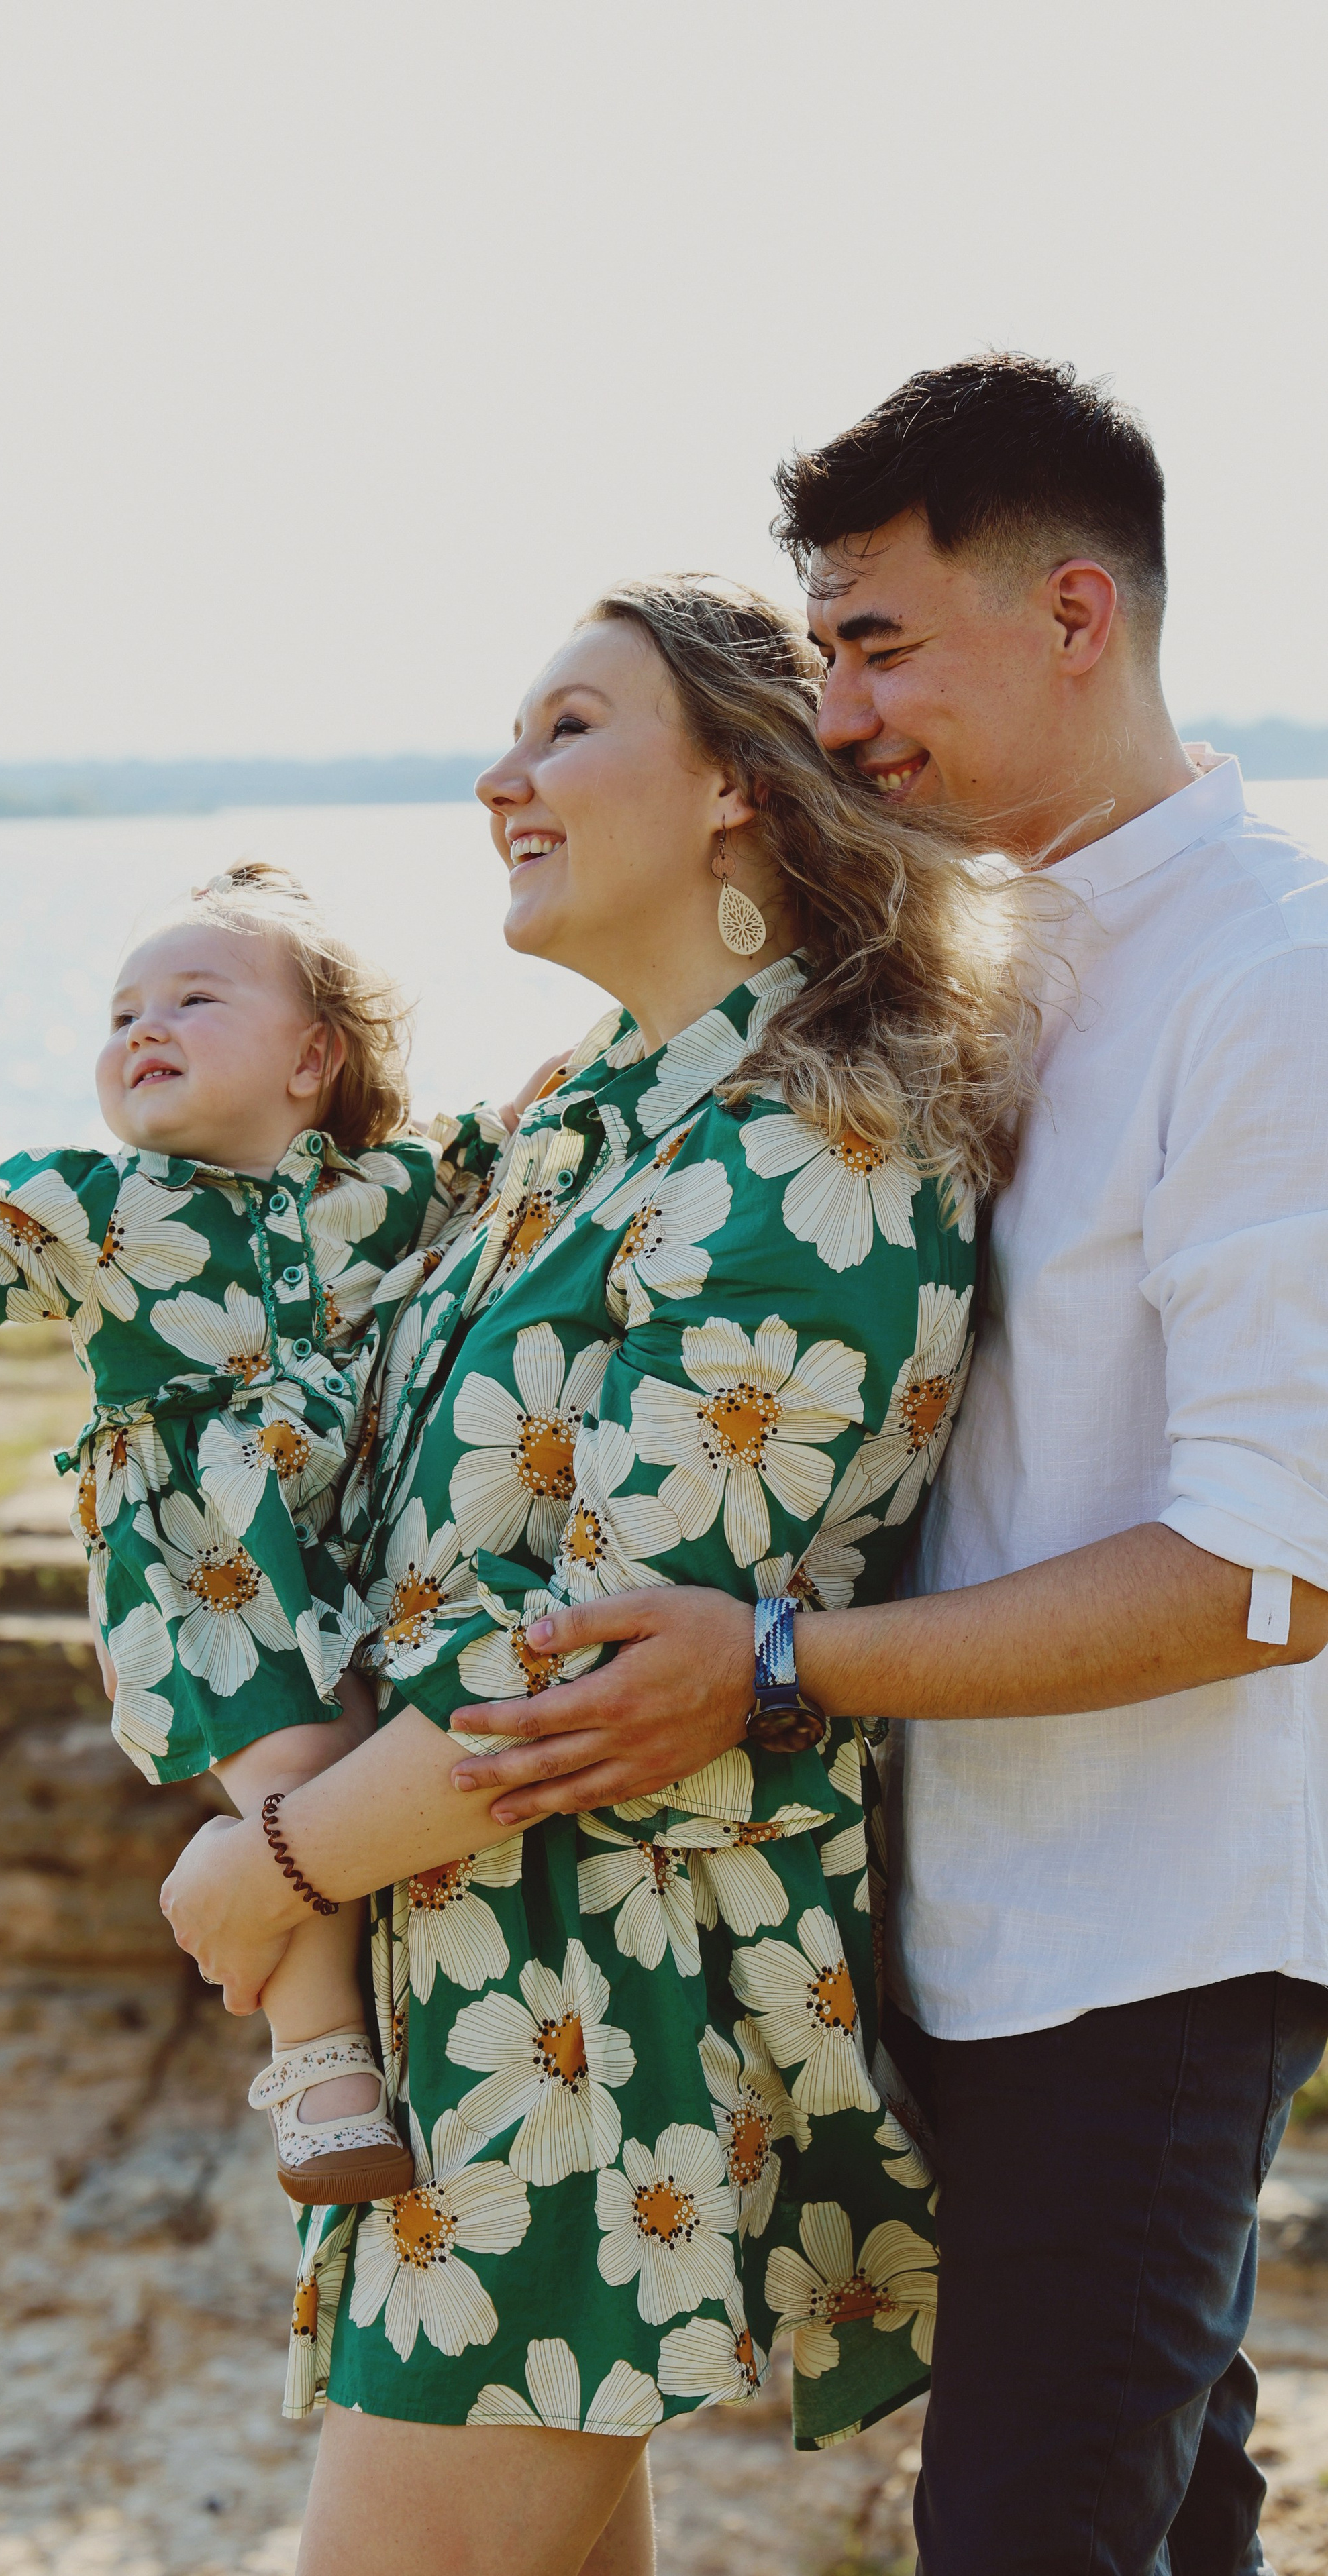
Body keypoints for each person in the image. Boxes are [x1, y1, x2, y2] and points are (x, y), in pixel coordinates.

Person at [444, 358, 1328, 2573]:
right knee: (1159, 2520)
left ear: (1078, 619)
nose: (838, 715)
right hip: (960, 1918)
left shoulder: (1276, 982)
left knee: (1026, 2535)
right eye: (820, 652)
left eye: (879, 643)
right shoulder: (1003, 964)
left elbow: (1277, 1569)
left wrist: (773, 1661)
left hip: (1158, 1938)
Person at [158, 575, 1041, 2576]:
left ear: (739, 782)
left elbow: (599, 1664)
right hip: (470, 1982)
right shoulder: (575, 1123)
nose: (500, 778)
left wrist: (266, 1870)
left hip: (591, 2031)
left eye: (568, 726)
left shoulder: (814, 1149)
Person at [0, 862, 504, 2210]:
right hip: (211, 1569)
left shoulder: (399, 1190)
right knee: (298, 1778)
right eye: (121, 1011)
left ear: (314, 1059)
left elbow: (530, 1141)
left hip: (377, 1537)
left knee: (406, 1763)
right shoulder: (96, 1210)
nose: (142, 1027)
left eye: (192, 997)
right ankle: (319, 2066)